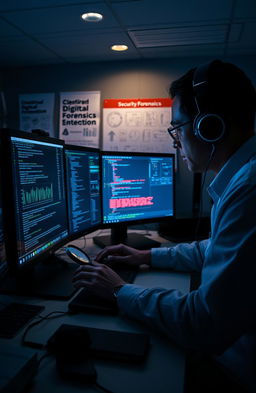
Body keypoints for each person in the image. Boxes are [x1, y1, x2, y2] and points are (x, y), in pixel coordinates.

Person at [73, 60, 256, 393]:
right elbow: (215, 249)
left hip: (240, 373)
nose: (175, 141)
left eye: (177, 128)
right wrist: (147, 258)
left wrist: (118, 290)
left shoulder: (249, 191)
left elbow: (203, 324)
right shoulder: (244, 179)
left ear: (209, 127)